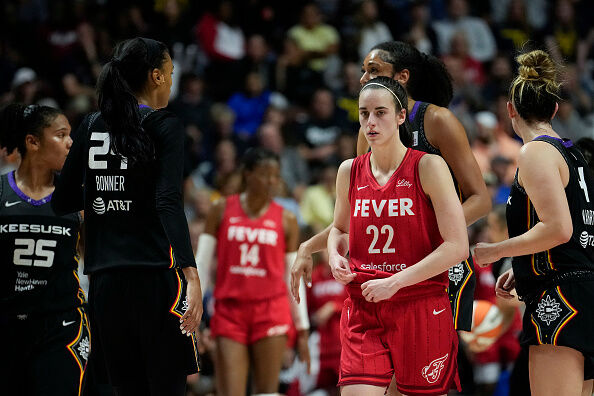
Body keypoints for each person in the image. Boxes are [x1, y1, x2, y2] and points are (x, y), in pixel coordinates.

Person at [292, 41, 489, 335]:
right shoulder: (367, 133)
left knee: (427, 372)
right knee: (387, 374)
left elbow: (481, 199)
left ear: (402, 77)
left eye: (373, 70)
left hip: (437, 265)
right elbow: (357, 217)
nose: (363, 78)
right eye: (362, 71)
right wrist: (308, 246)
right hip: (388, 266)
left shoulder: (437, 120)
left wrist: (428, 233)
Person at [51, 37, 202, 396]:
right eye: (169, 74)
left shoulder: (90, 125)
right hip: (155, 278)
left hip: (105, 284)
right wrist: (191, 274)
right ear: (154, 76)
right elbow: (167, 200)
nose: (170, 81)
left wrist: (105, 196)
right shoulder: (164, 124)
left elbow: (63, 200)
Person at [328, 76, 468, 396]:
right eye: (364, 114)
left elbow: (457, 246)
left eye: (381, 112)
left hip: (419, 303)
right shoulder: (348, 170)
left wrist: (397, 281)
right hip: (364, 303)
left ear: (401, 116)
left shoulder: (429, 167)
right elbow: (339, 229)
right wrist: (334, 254)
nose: (371, 122)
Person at [474, 49, 594, 396]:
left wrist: (496, 251)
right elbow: (573, 230)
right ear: (554, 108)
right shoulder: (572, 152)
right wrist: (525, 263)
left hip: (560, 296)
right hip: (582, 291)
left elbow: (559, 228)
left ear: (510, 109)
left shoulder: (534, 151)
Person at [194, 147, 310, 396]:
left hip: (271, 310)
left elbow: (294, 275)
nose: (271, 181)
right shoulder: (221, 209)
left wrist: (302, 328)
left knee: (267, 393)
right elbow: (201, 265)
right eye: (264, 174)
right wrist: (194, 313)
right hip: (230, 311)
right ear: (247, 174)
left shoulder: (287, 219)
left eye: (275, 175)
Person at [0, 103, 88, 396]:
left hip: (61, 325)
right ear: (33, 141)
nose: (70, 143)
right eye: (61, 135)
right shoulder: (1, 192)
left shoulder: (79, 198)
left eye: (70, 135)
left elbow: (104, 256)